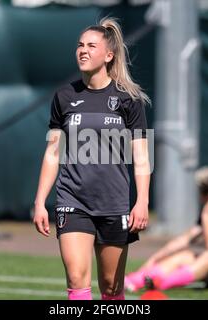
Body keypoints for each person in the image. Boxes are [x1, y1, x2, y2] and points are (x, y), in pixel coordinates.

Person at [33, 17, 151, 300]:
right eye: (79, 45)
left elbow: (142, 155)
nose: (83, 50)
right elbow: (53, 152)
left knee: (111, 287)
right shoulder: (64, 96)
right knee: (76, 279)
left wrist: (143, 200)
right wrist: (40, 201)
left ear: (108, 55)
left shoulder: (128, 99)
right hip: (72, 201)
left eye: (91, 46)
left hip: (114, 203)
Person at [125, 166, 208, 291]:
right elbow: (185, 240)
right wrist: (155, 258)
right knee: (184, 256)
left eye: (200, 192)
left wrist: (206, 216)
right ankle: (132, 280)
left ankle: (161, 283)